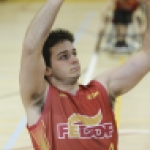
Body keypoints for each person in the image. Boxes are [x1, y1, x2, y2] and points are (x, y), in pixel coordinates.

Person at [19, 0, 150, 149]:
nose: (74, 59)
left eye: (74, 53)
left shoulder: (102, 90)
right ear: (47, 69)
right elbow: (31, 47)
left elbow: (147, 55)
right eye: (63, 56)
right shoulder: (40, 100)